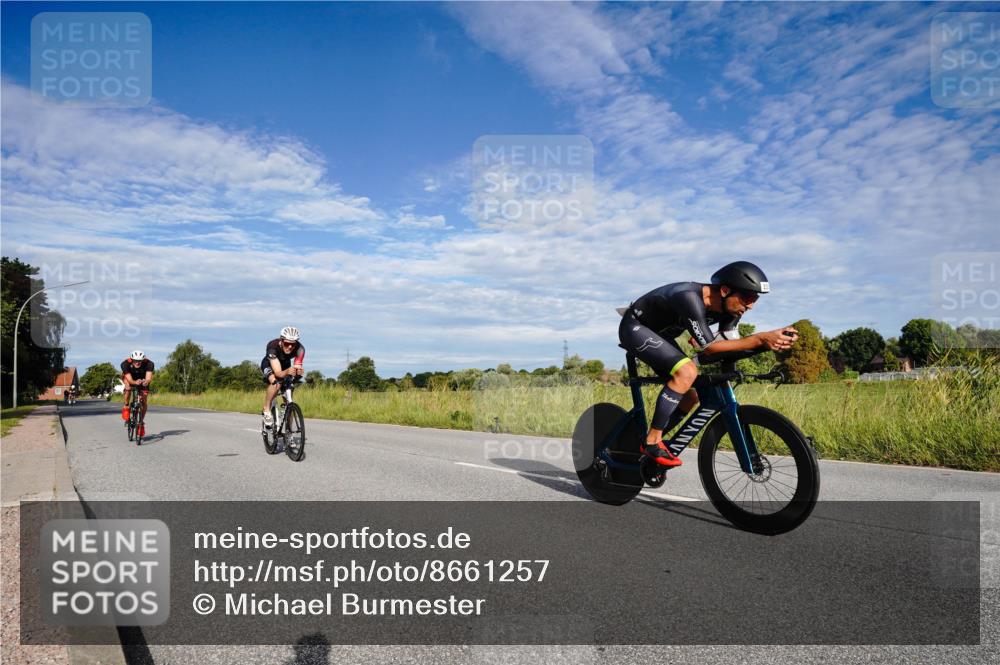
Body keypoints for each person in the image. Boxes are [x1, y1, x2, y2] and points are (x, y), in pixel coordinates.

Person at [619, 261, 798, 468]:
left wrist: (768, 345)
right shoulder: (688, 297)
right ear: (724, 290)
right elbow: (710, 348)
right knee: (687, 371)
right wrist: (759, 339)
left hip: (663, 336)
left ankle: (641, 441)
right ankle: (652, 441)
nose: (750, 306)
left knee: (689, 397)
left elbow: (730, 349)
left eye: (755, 300)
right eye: (747, 298)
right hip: (635, 328)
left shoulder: (730, 311)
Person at [261, 326, 305, 428]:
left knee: (289, 388)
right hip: (270, 364)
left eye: (293, 344)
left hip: (285, 364)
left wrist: (298, 372)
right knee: (276, 382)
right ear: (281, 340)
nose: (290, 346)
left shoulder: (300, 349)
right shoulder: (272, 346)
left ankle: (288, 432)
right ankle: (266, 408)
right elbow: (278, 372)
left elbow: (297, 366)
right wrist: (287, 372)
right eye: (287, 343)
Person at [120, 350, 154, 437]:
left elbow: (148, 378)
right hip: (129, 378)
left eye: (140, 361)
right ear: (131, 359)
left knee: (144, 400)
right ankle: (126, 405)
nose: (138, 363)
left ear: (143, 360)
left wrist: (146, 382)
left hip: (142, 379)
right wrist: (134, 382)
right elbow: (130, 380)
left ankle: (141, 422)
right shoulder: (125, 364)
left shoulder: (149, 363)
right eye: (135, 361)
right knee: (128, 388)